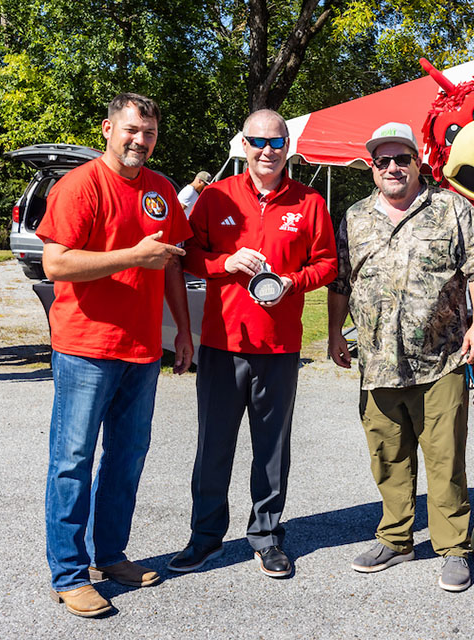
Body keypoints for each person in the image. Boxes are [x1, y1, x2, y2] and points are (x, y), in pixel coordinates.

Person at [37, 93, 194, 618]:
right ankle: (69, 574)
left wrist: (184, 333)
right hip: (85, 346)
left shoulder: (161, 189)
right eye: (131, 130)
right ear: (107, 128)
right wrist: (132, 255)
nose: (140, 141)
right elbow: (55, 264)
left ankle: (111, 556)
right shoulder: (79, 185)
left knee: (126, 459)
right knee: (73, 463)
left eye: (148, 133)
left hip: (144, 347)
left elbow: (171, 265)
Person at [326, 122, 474, 593]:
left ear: (418, 161)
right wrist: (333, 333)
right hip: (378, 360)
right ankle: (396, 538)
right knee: (388, 456)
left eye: (401, 159)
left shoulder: (450, 207)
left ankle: (453, 548)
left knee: (445, 459)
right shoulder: (355, 217)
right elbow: (341, 280)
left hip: (439, 358)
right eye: (382, 161)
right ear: (372, 169)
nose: (393, 168)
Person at [172, 109, 337, 579]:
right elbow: (187, 259)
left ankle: (266, 536)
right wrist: (226, 262)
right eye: (258, 142)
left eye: (277, 142)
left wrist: (293, 281)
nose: (268, 151)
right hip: (223, 344)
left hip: (280, 347)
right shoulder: (216, 197)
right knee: (213, 446)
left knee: (271, 449)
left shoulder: (309, 203)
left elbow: (326, 264)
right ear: (243, 145)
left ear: (289, 146)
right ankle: (205, 538)